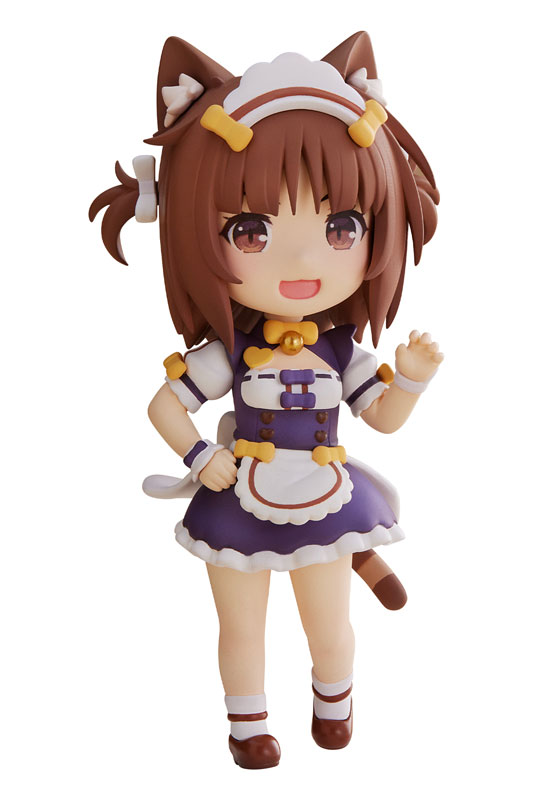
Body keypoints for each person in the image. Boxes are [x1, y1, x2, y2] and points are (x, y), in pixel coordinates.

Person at [90, 31, 443, 769]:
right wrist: (201, 456)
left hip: (324, 491)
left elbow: (382, 418)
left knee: (328, 623)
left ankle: (335, 703)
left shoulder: (341, 352)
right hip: (237, 496)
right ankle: (247, 726)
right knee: (241, 626)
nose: (303, 258)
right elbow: (162, 406)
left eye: (341, 226)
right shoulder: (227, 354)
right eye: (251, 231)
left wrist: (409, 378)